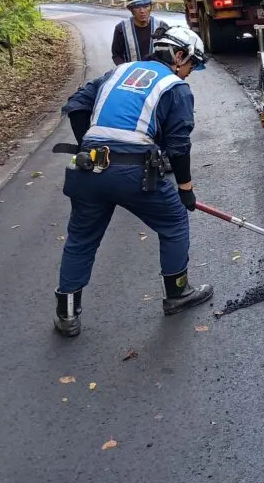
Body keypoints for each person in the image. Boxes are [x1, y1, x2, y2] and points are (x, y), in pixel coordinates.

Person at [53, 25, 213, 337]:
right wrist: (186, 190)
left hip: (88, 168)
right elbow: (179, 147)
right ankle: (178, 293)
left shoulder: (118, 72)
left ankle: (67, 313)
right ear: (179, 56)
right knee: (175, 222)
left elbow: (75, 104)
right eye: (192, 64)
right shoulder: (175, 87)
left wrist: (89, 144)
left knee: (81, 239)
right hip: (134, 172)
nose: (190, 72)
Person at [112, 0, 169, 65]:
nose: (142, 11)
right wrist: (124, 69)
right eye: (137, 7)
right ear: (130, 9)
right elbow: (117, 55)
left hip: (157, 74)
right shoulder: (122, 29)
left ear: (151, 7)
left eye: (145, 6)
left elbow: (170, 54)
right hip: (132, 75)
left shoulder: (162, 27)